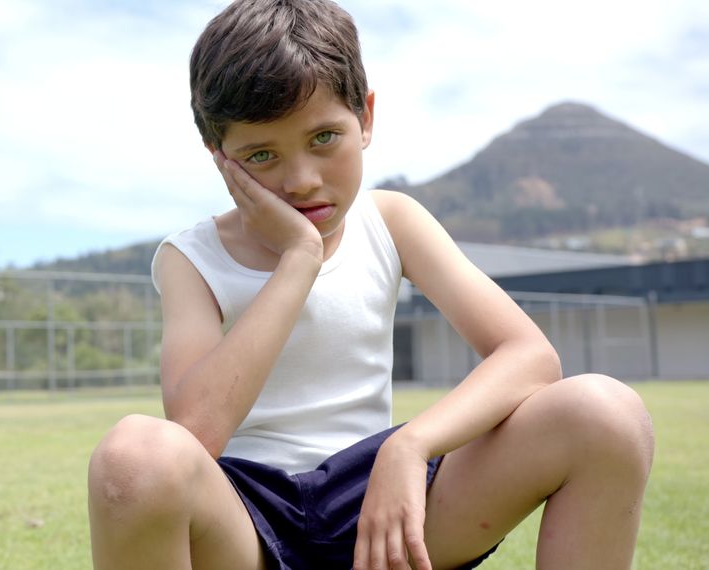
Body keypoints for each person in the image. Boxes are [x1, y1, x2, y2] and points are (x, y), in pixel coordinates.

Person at [87, 1, 655, 568]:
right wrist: (300, 258)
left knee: (605, 412)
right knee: (134, 454)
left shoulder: (391, 221)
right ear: (221, 160)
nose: (301, 181)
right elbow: (196, 431)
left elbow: (529, 356)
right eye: (262, 155)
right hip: (245, 518)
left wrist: (412, 445)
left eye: (324, 138)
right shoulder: (191, 257)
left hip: (383, 503)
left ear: (366, 119)